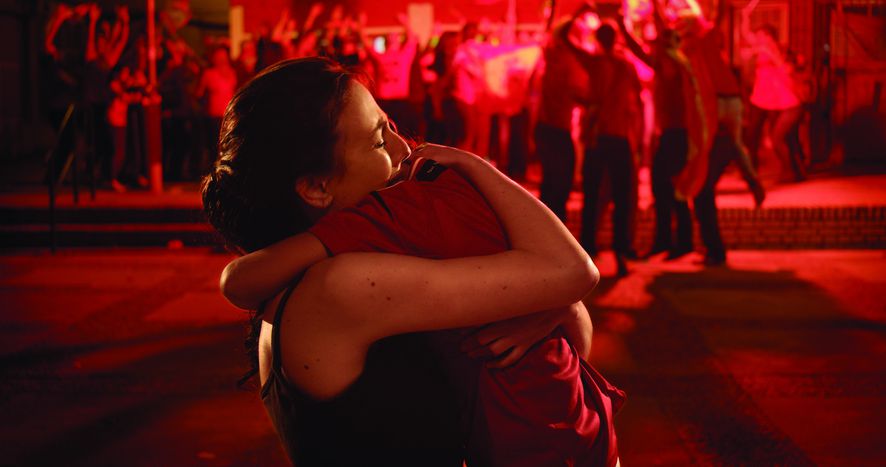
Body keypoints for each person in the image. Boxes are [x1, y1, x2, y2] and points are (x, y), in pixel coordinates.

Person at [203, 58, 621, 466]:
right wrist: (474, 166)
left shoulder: (322, 271)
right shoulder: (345, 283)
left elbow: (570, 327)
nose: (406, 150)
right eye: (378, 141)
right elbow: (572, 274)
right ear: (316, 187)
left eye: (392, 127)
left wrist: (550, 305)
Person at [577, 22, 642, 276]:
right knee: (622, 197)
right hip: (619, 136)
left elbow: (591, 96)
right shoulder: (625, 66)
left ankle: (587, 251)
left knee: (592, 196)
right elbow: (635, 99)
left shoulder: (594, 63)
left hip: (597, 137)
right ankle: (621, 251)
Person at [534, 5, 595, 221]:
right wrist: (578, 11)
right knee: (558, 180)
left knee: (556, 179)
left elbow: (576, 94)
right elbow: (557, 32)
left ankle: (550, 225)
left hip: (553, 127)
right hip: (552, 128)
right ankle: (552, 224)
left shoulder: (563, 58)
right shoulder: (557, 54)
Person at [740, 2, 805, 183]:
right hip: (765, 100)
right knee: (760, 136)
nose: (757, 39)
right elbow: (746, 33)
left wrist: (766, 51)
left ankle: (793, 171)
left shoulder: (776, 49)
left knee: (781, 139)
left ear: (769, 37)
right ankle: (785, 171)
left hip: (782, 102)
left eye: (761, 36)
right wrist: (745, 15)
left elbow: (787, 69)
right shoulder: (762, 49)